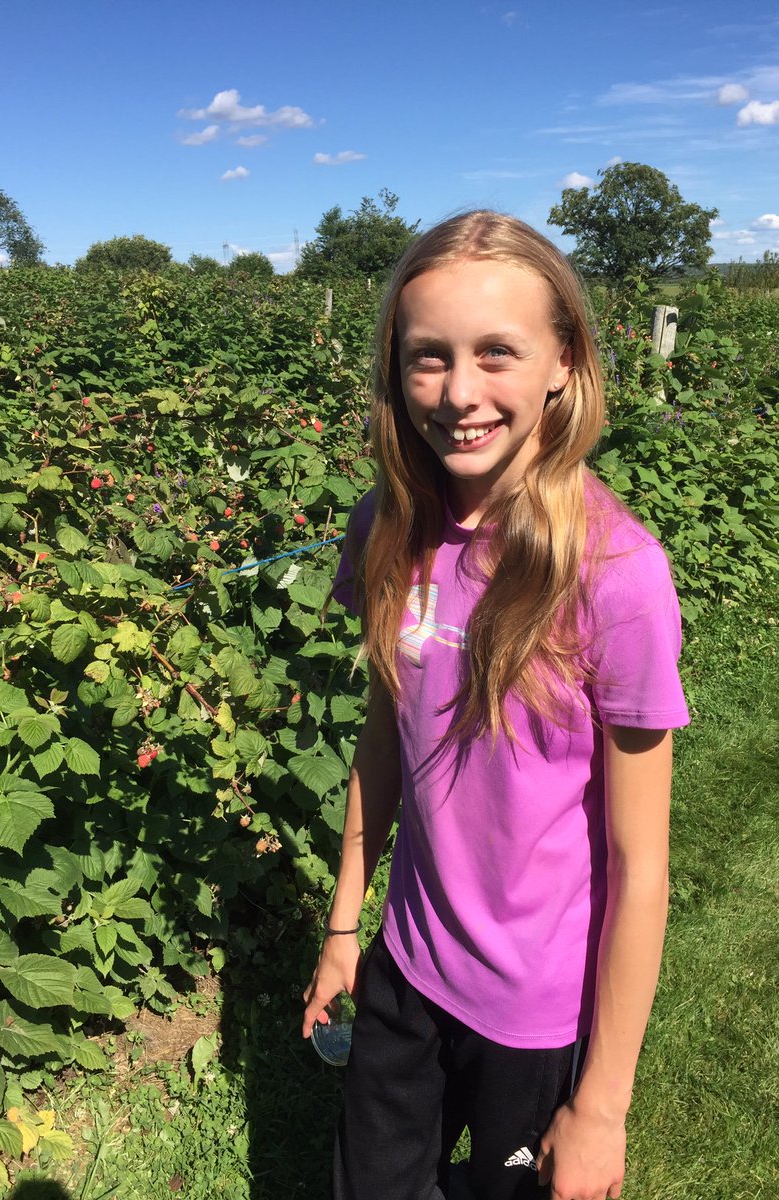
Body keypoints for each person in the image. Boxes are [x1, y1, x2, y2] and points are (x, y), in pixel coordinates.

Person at [302, 211, 690, 1200]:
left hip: (537, 1010)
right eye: (428, 357)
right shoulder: (388, 528)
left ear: (563, 360)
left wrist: (602, 1107)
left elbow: (642, 863)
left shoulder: (615, 574)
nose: (459, 392)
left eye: (496, 354)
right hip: (404, 967)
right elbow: (385, 736)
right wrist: (346, 927)